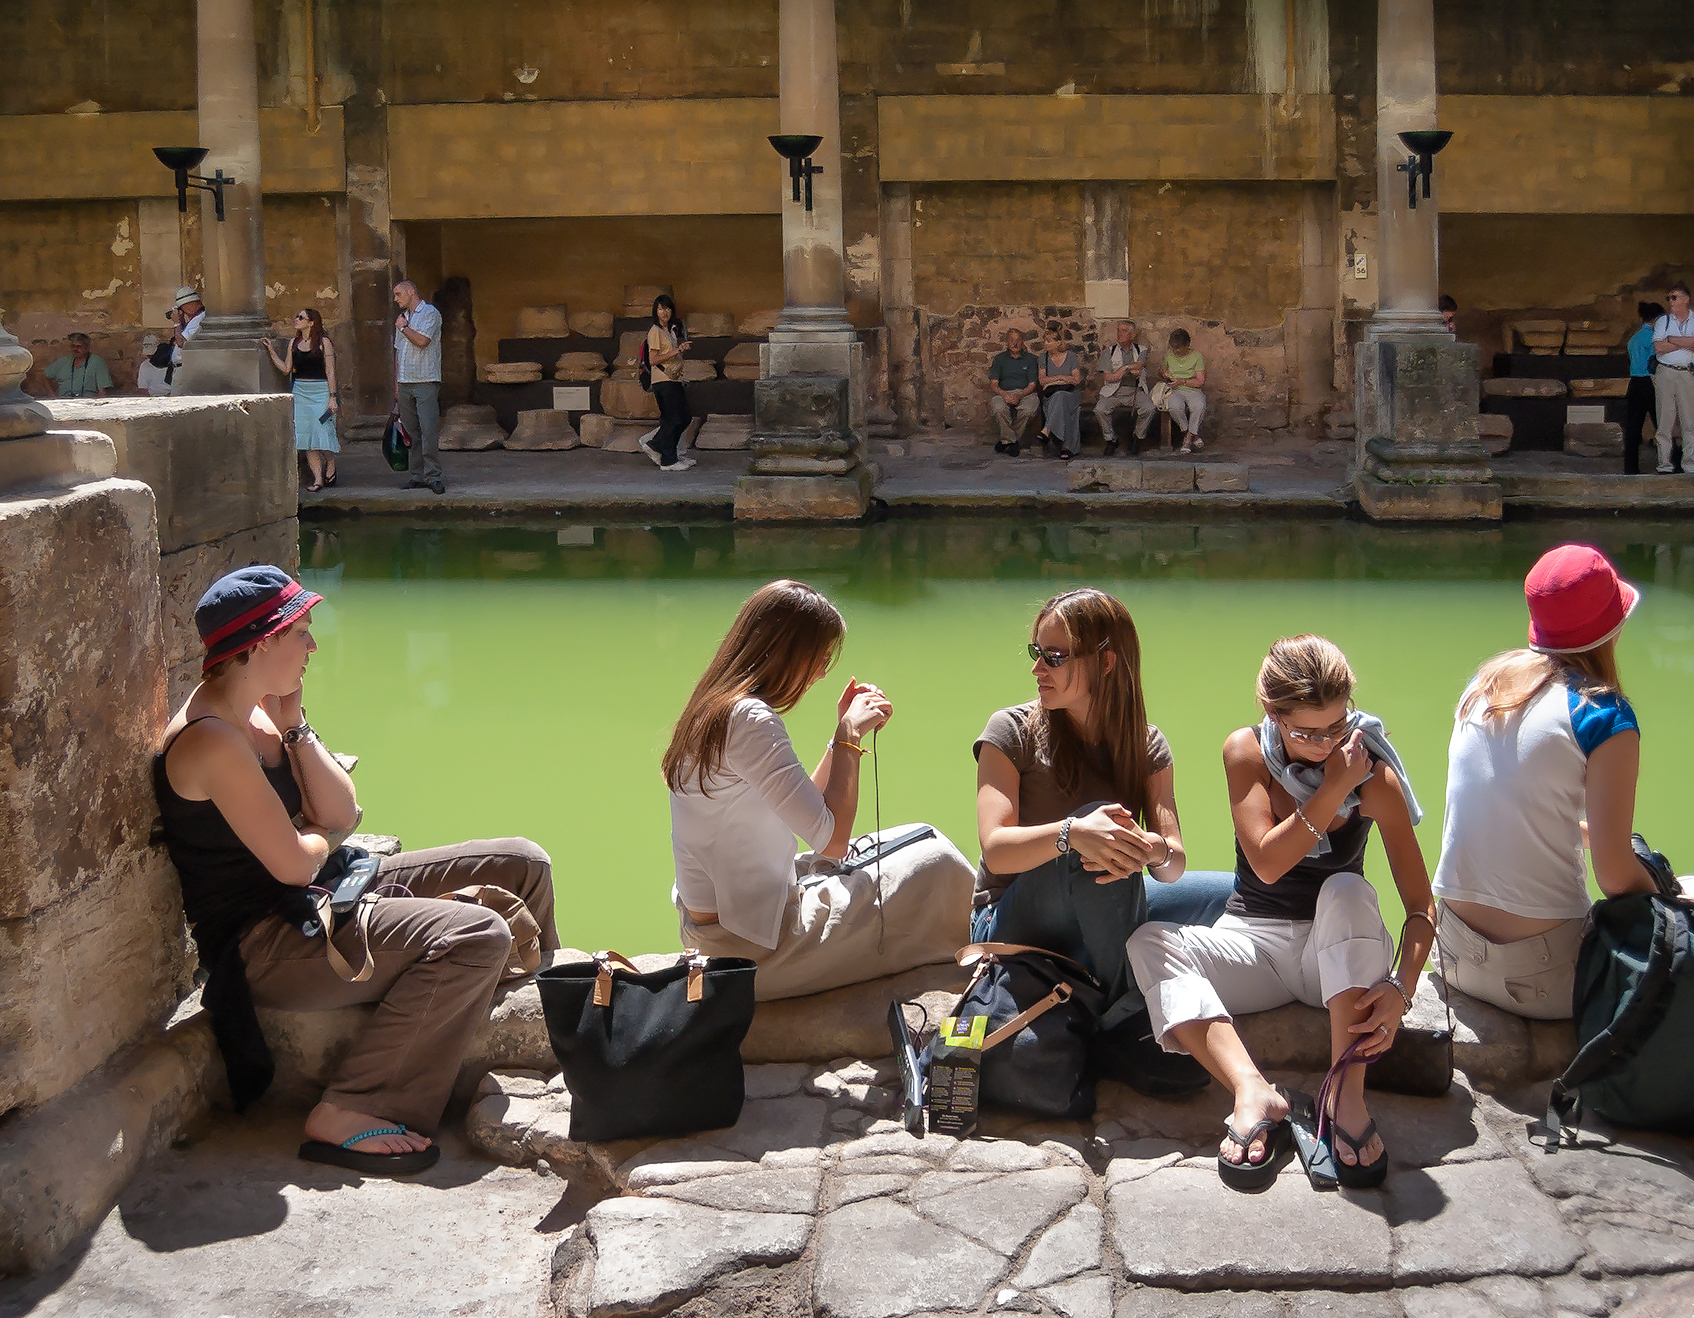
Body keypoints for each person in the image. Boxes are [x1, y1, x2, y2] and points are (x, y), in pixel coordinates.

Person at [154, 565, 560, 1175]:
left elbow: (343, 811)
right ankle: (353, 1107)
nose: (313, 646)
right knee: (477, 933)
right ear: (261, 644)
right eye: (302, 632)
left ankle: (543, 1009)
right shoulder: (210, 739)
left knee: (522, 863)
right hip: (266, 944)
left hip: (326, 891)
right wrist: (318, 838)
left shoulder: (261, 714)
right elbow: (296, 863)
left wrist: (295, 726)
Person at [1128, 636, 1434, 1191]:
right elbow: (1267, 863)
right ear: (1272, 714)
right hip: (1255, 939)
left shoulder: (1374, 775)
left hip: (1333, 955)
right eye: (1306, 733)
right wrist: (1334, 786)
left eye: (1336, 727)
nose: (1325, 745)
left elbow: (1420, 906)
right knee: (1147, 942)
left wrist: (1402, 988)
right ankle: (1252, 1090)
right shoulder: (1246, 751)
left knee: (1346, 889)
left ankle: (1345, 1097)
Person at [973, 588, 1237, 1089]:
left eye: (1054, 657)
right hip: (1011, 915)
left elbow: (1174, 863)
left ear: (1106, 662)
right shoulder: (1010, 730)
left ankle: (1190, 985)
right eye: (1036, 652)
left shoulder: (1146, 743)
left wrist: (1150, 848)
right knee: (1092, 831)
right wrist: (1073, 833)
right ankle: (1126, 1019)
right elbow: (996, 851)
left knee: (1235, 894)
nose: (1037, 669)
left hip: (1103, 891)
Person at [666, 580, 974, 1000]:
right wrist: (849, 736)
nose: (823, 672)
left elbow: (802, 811)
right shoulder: (751, 719)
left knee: (918, 837)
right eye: (819, 657)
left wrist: (837, 739)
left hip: (720, 932)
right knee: (937, 863)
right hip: (752, 950)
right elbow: (833, 841)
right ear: (788, 651)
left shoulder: (715, 708)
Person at [1432, 544, 1659, 1020]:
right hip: (1546, 977)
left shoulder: (1485, 686)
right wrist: (1665, 890)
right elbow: (1616, 877)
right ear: (1613, 628)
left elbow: (1508, 803)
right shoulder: (1605, 716)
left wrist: (1582, 833)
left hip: (1452, 955)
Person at [262, 308, 340, 491]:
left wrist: (333, 397)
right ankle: (318, 479)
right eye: (296, 316)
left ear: (311, 322)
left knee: (322, 431)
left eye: (301, 317)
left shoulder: (324, 342)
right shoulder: (294, 342)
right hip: (300, 393)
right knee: (306, 437)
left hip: (320, 392)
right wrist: (271, 350)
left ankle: (330, 461)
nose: (296, 319)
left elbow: (330, 371)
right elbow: (286, 368)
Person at [393, 280, 445, 494]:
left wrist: (403, 327)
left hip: (425, 379)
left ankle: (433, 476)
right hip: (405, 381)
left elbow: (423, 341)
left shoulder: (430, 313)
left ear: (411, 291)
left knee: (428, 429)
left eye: (398, 294)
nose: (395, 299)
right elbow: (397, 353)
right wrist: (396, 385)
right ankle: (417, 475)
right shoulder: (402, 317)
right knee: (411, 431)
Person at [638, 294, 697, 473]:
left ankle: (668, 454)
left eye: (668, 308)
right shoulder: (655, 331)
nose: (665, 312)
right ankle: (662, 453)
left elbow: (670, 355)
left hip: (673, 379)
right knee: (675, 419)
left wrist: (680, 350)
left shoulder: (668, 331)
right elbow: (653, 359)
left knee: (684, 417)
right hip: (663, 381)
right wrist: (676, 350)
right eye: (661, 309)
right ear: (655, 311)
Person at [1093, 320, 1156, 457]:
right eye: (1118, 330)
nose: (1119, 334)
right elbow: (1108, 377)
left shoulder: (1142, 349)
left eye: (1124, 331)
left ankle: (1138, 437)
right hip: (1114, 391)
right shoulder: (1109, 352)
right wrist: (1127, 370)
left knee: (1149, 408)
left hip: (1135, 390)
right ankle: (1111, 439)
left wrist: (1123, 368)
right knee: (1100, 409)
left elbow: (1140, 365)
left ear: (1132, 335)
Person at [1651, 283, 1694, 474]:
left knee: (1689, 421)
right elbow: (1659, 347)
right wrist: (1687, 342)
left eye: (1674, 297)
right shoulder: (1663, 321)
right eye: (1668, 298)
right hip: (1666, 372)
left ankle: (1689, 464)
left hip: (1688, 372)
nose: (1670, 301)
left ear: (1686, 299)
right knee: (1665, 421)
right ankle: (1664, 464)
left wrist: (1671, 339)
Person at [1624, 301, 1664, 476]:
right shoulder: (1654, 339)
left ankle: (1630, 467)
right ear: (1656, 319)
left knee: (1633, 427)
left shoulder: (1633, 339)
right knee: (1662, 425)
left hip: (1634, 382)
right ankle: (1670, 461)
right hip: (1651, 382)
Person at [988, 329, 1041, 456]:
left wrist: (1019, 395)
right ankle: (1012, 442)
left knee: (1029, 409)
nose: (1015, 343)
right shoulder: (999, 359)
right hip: (1004, 392)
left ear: (1023, 342)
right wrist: (1004, 394)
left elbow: (1032, 385)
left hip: (1025, 393)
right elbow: (994, 384)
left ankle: (1006, 441)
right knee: (998, 407)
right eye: (1012, 340)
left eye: (1018, 340)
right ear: (1006, 343)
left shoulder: (1031, 359)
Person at [1036, 330, 1083, 460]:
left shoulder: (1071, 356)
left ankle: (1047, 430)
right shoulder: (1043, 358)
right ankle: (1065, 447)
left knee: (1061, 397)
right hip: (1051, 397)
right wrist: (1062, 378)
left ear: (1058, 343)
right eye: (1045, 341)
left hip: (1071, 395)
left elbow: (1076, 380)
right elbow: (1042, 381)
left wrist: (1053, 381)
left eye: (1049, 341)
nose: (1045, 343)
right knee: (1059, 398)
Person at [1159, 328, 1207, 453]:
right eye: (1174, 348)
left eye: (1179, 348)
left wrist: (1182, 381)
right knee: (1174, 407)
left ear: (1187, 345)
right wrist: (1164, 373)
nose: (1176, 351)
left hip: (1192, 389)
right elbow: (1162, 370)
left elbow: (1200, 382)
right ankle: (1191, 434)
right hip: (1174, 390)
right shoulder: (1169, 355)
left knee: (1199, 406)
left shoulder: (1196, 356)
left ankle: (1188, 439)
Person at [165, 286, 206, 396]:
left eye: (182, 307)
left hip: (185, 369)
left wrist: (176, 323)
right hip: (181, 368)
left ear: (190, 304)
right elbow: (183, 336)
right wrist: (182, 322)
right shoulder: (195, 319)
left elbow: (181, 342)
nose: (183, 311)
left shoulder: (200, 319)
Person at [43, 333, 113, 398]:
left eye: (79, 346)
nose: (75, 349)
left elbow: (102, 391)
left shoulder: (96, 362)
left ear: (87, 348)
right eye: (73, 346)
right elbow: (46, 375)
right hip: (64, 401)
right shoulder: (64, 361)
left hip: (87, 401)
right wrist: (51, 393)